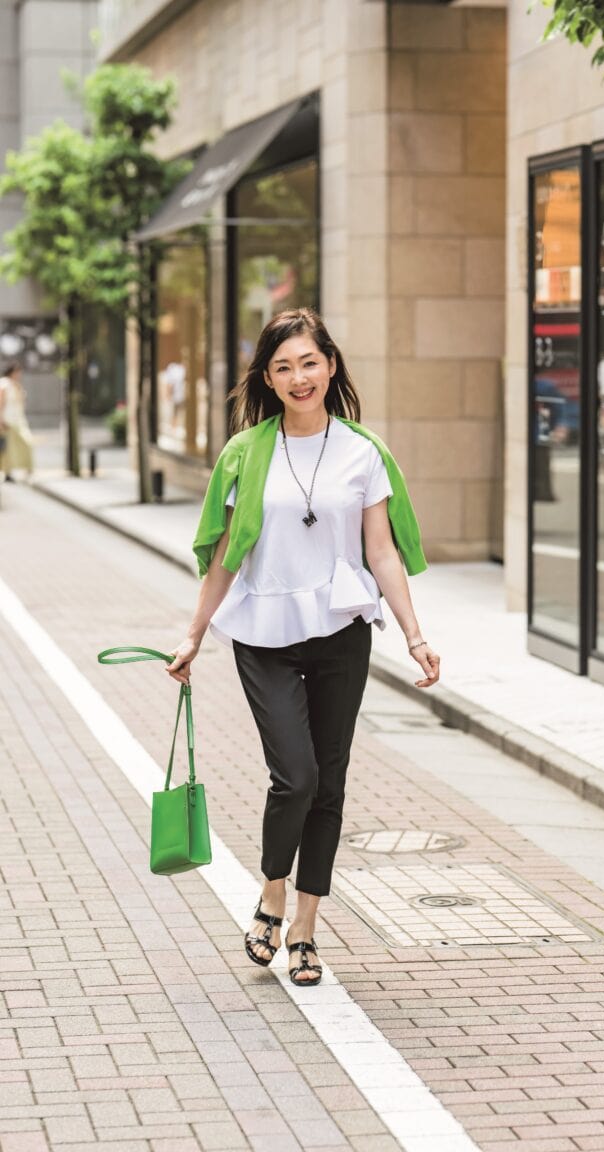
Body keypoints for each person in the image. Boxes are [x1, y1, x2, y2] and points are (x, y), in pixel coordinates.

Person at [166, 309, 440, 986]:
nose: (298, 377)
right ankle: (271, 893)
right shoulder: (245, 452)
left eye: (309, 363)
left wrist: (415, 634)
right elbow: (226, 552)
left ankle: (307, 929)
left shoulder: (362, 452)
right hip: (263, 635)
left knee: (330, 783)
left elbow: (380, 550)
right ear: (267, 377)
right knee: (298, 775)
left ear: (331, 366)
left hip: (341, 633)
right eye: (283, 367)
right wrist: (194, 631)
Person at [0, 362, 34, 481]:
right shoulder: (4, 383)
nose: (19, 375)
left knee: (25, 443)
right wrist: (1, 419)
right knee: (8, 448)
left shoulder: (15, 384)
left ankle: (26, 469)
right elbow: (1, 403)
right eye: (17, 372)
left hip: (18, 419)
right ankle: (8, 472)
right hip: (7, 420)